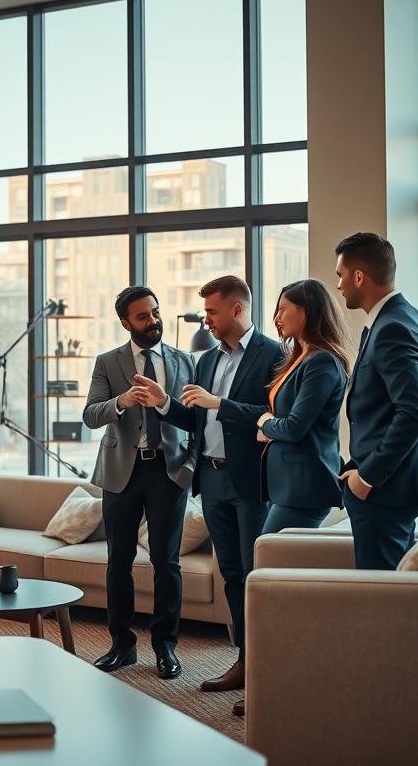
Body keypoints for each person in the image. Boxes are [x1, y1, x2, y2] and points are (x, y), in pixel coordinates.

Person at [134, 275, 282, 716]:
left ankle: (266, 666)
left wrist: (219, 404)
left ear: (237, 309)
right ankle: (242, 660)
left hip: (252, 481)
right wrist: (164, 403)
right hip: (212, 480)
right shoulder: (206, 360)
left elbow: (277, 414)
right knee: (232, 574)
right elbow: (194, 416)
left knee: (257, 575)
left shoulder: (274, 354)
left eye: (213, 313)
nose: (207, 321)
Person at [82, 286, 195, 681]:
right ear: (126, 322)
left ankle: (165, 645)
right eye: (143, 317)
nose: (153, 322)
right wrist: (122, 402)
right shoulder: (107, 363)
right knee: (118, 562)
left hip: (169, 472)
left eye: (156, 313)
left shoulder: (184, 361)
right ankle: (122, 645)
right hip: (121, 473)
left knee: (166, 562)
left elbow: (194, 420)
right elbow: (90, 415)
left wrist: (191, 466)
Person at [335, 232, 418, 569]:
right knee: (391, 592)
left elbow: (415, 413)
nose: (339, 285)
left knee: (379, 599)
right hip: (393, 485)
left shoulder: (392, 328)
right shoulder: (403, 317)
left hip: (385, 489)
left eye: (341, 275)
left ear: (359, 277)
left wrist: (367, 477)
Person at [236, 279, 349, 533]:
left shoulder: (322, 362)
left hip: (304, 487)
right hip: (287, 486)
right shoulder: (300, 359)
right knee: (271, 563)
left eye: (283, 309)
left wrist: (266, 423)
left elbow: (295, 427)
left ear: (306, 310)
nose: (277, 317)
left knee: (267, 564)